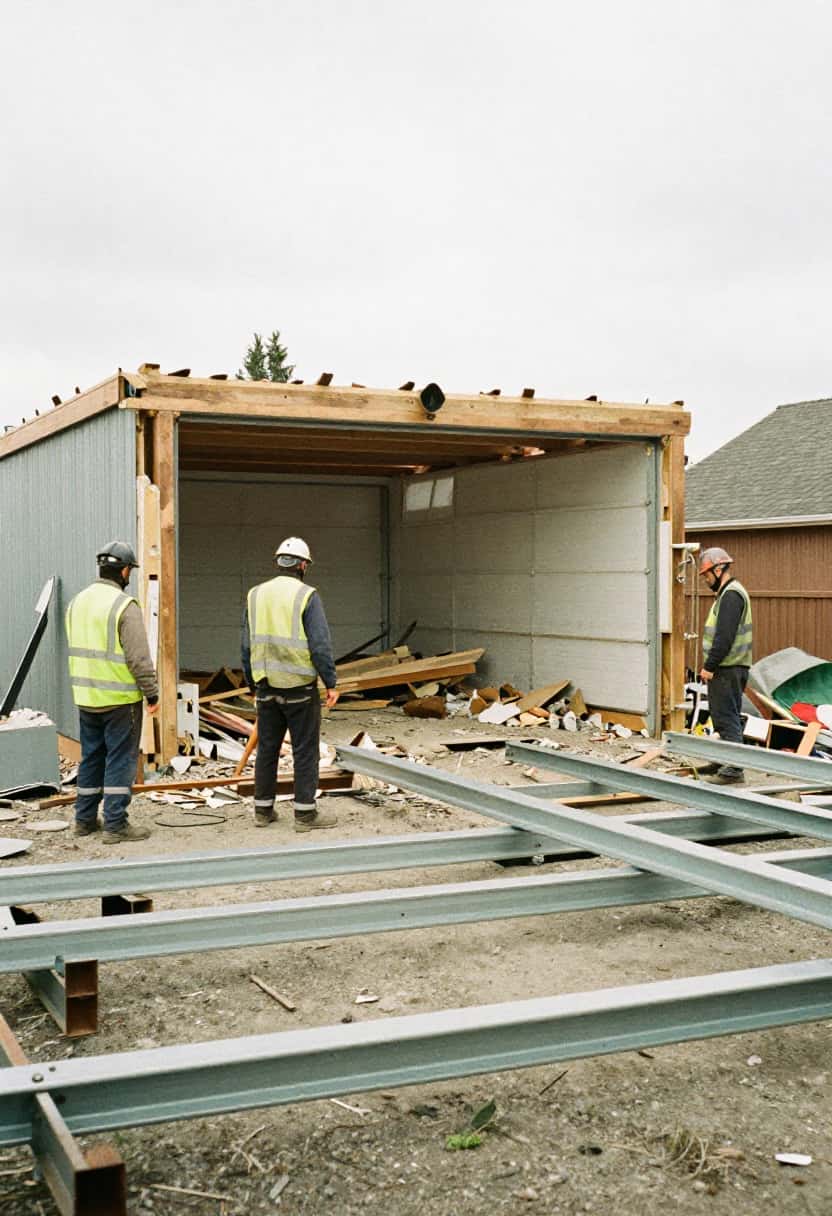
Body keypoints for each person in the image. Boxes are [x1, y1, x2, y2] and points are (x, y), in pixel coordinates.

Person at [242, 536, 340, 830]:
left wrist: (251, 683)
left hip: (266, 688)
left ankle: (262, 812)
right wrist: (331, 682)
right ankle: (305, 815)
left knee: (268, 750)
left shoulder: (255, 595)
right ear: (303, 565)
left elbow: (246, 646)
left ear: (278, 562)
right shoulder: (307, 596)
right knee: (304, 752)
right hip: (300, 689)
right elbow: (320, 645)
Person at [66, 541, 159, 842]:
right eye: (130, 570)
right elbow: (138, 657)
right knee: (120, 759)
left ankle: (84, 819)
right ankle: (115, 824)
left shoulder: (77, 602)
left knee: (91, 757)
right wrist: (152, 693)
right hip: (119, 700)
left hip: (86, 697)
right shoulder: (123, 605)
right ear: (123, 570)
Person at [697, 547, 752, 784]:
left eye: (707, 574)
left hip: (727, 668)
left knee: (726, 717)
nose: (706, 579)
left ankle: (734, 770)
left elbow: (724, 637)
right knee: (722, 717)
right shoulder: (729, 593)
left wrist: (709, 666)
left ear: (719, 570)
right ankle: (723, 760)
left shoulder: (731, 595)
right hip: (731, 668)